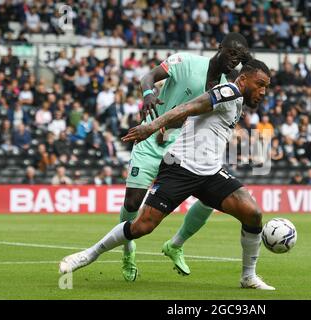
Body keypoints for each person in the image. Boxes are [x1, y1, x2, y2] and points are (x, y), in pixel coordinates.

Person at [60, 59, 275, 290]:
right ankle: (88, 255)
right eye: (259, 84)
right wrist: (151, 127)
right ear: (242, 80)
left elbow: (192, 114)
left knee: (253, 214)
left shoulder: (237, 100)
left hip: (210, 172)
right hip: (180, 169)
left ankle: (248, 277)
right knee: (142, 226)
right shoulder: (228, 91)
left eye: (266, 87)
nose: (263, 92)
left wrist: (170, 128)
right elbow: (187, 107)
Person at [117, 32, 251, 281]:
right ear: (219, 46)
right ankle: (128, 250)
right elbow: (148, 77)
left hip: (186, 149)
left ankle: (175, 244)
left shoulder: (229, 86)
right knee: (133, 203)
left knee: (211, 199)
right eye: (231, 52)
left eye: (239, 56)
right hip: (150, 139)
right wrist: (148, 95)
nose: (234, 59)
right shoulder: (186, 62)